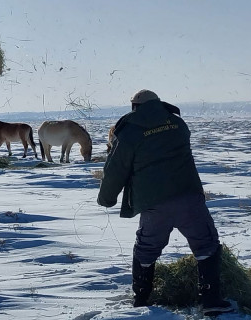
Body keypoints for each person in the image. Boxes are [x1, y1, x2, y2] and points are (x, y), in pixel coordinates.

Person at [97, 89, 234, 316]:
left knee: (146, 248)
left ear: (135, 107)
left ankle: (141, 299)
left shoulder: (128, 130)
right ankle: (211, 300)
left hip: (153, 203)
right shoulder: (177, 124)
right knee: (206, 244)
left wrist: (107, 198)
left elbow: (116, 169)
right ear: (158, 103)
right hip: (188, 197)